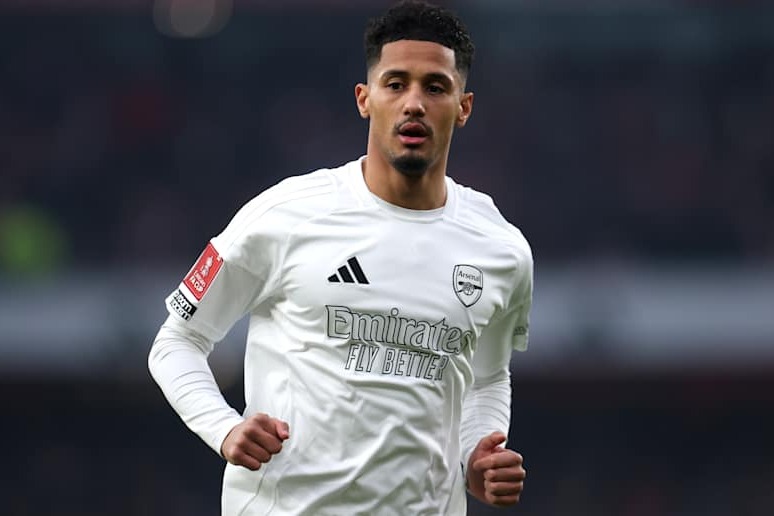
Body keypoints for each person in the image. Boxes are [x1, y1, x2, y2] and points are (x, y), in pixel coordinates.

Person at [148, 1, 533, 514]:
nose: (414, 103)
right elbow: (177, 341)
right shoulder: (285, 214)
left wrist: (476, 454)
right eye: (395, 84)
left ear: (463, 107)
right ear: (364, 99)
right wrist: (224, 428)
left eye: (435, 87)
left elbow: (487, 378)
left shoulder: (501, 249)